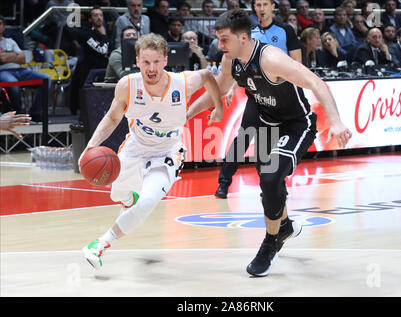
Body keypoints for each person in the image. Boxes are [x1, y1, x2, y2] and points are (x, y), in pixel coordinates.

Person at [187, 9, 352, 277]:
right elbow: (217, 90)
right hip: (267, 123)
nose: (219, 46)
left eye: (224, 39)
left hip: (295, 124)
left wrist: (335, 121)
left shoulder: (271, 59)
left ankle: (270, 243)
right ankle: (283, 226)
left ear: (243, 37)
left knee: (271, 176)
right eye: (218, 39)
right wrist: (182, 117)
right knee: (269, 184)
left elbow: (316, 82)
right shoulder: (231, 60)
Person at [81, 33, 224, 270]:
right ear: (137, 61)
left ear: (165, 60)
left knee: (147, 202)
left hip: (168, 151)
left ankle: (100, 243)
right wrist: (90, 147)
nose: (151, 68)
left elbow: (209, 76)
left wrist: (218, 107)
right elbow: (112, 118)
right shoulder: (128, 85)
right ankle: (129, 199)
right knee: (118, 195)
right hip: (136, 146)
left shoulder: (183, 82)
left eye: (156, 61)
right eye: (146, 62)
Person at [214, 0, 303, 199]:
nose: (261, 8)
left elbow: (298, 64)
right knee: (244, 136)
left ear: (273, 6)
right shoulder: (248, 33)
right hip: (256, 95)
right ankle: (224, 182)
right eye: (258, 4)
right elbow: (242, 65)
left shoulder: (285, 30)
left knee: (270, 145)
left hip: (280, 95)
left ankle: (273, 187)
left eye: (265, 4)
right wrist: (232, 87)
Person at [0, 15, 52, 122]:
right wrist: (14, 55)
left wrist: (7, 56)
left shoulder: (10, 41)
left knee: (46, 79)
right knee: (13, 83)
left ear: (4, 27)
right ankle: (17, 114)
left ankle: (35, 113)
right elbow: (2, 59)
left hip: (20, 70)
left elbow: (23, 59)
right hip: (3, 71)